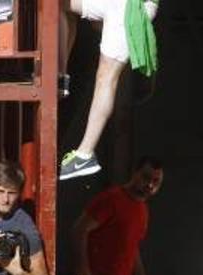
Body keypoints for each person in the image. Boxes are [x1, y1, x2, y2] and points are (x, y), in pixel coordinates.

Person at [59, 0, 161, 180]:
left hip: (130, 8)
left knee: (106, 77)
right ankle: (60, 76)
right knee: (56, 5)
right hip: (116, 4)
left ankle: (85, 154)